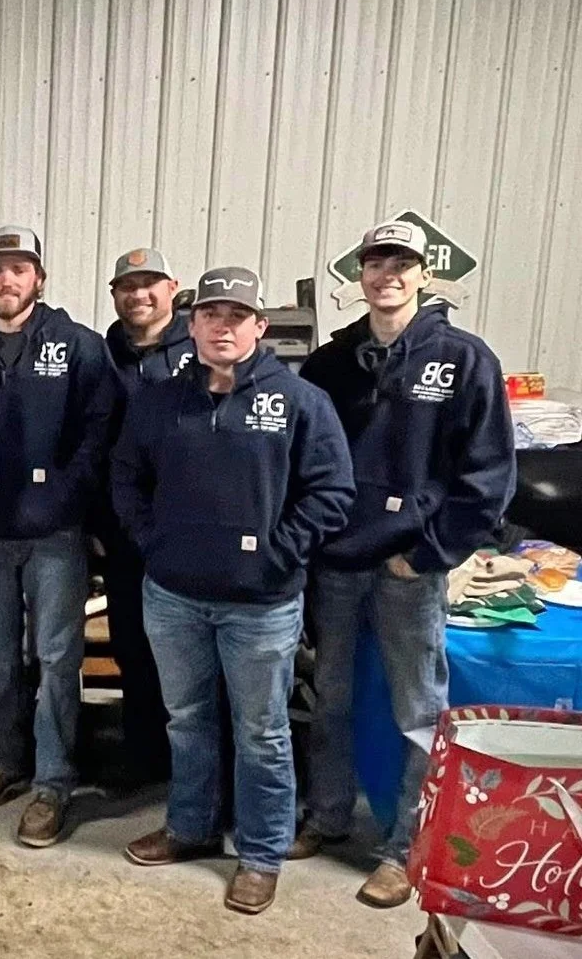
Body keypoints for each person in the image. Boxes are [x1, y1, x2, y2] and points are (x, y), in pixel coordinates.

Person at [112, 267, 354, 915]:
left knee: (262, 733)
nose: (223, 327)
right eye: (211, 315)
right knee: (188, 721)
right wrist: (153, 542)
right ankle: (189, 828)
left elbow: (333, 491)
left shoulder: (300, 401)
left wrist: (280, 551)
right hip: (174, 596)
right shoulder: (160, 400)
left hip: (261, 605)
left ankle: (261, 851)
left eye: (236, 316)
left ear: (259, 326)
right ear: (191, 325)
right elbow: (126, 476)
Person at [293, 220, 515, 908]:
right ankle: (328, 816)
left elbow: (489, 477)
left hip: (408, 569)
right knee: (329, 698)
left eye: (401, 263)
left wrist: (426, 555)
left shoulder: (464, 360)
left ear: (423, 274)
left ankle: (406, 849)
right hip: (337, 565)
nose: (387, 274)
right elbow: (304, 463)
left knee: (417, 710)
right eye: (375, 262)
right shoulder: (330, 364)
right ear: (359, 275)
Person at [0, 226, 119, 846]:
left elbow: (101, 433)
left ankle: (52, 781)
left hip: (56, 535)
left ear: (38, 278)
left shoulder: (79, 346)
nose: (6, 280)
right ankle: (2, 761)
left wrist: (67, 498)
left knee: (56, 658)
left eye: (18, 269)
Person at [98, 247, 196, 784]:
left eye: (149, 283)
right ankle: (143, 758)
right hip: (122, 533)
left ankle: (194, 770)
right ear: (115, 295)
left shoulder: (202, 349)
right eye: (127, 286)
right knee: (131, 647)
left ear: (172, 288)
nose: (138, 294)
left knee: (187, 656)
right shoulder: (99, 355)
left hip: (188, 534)